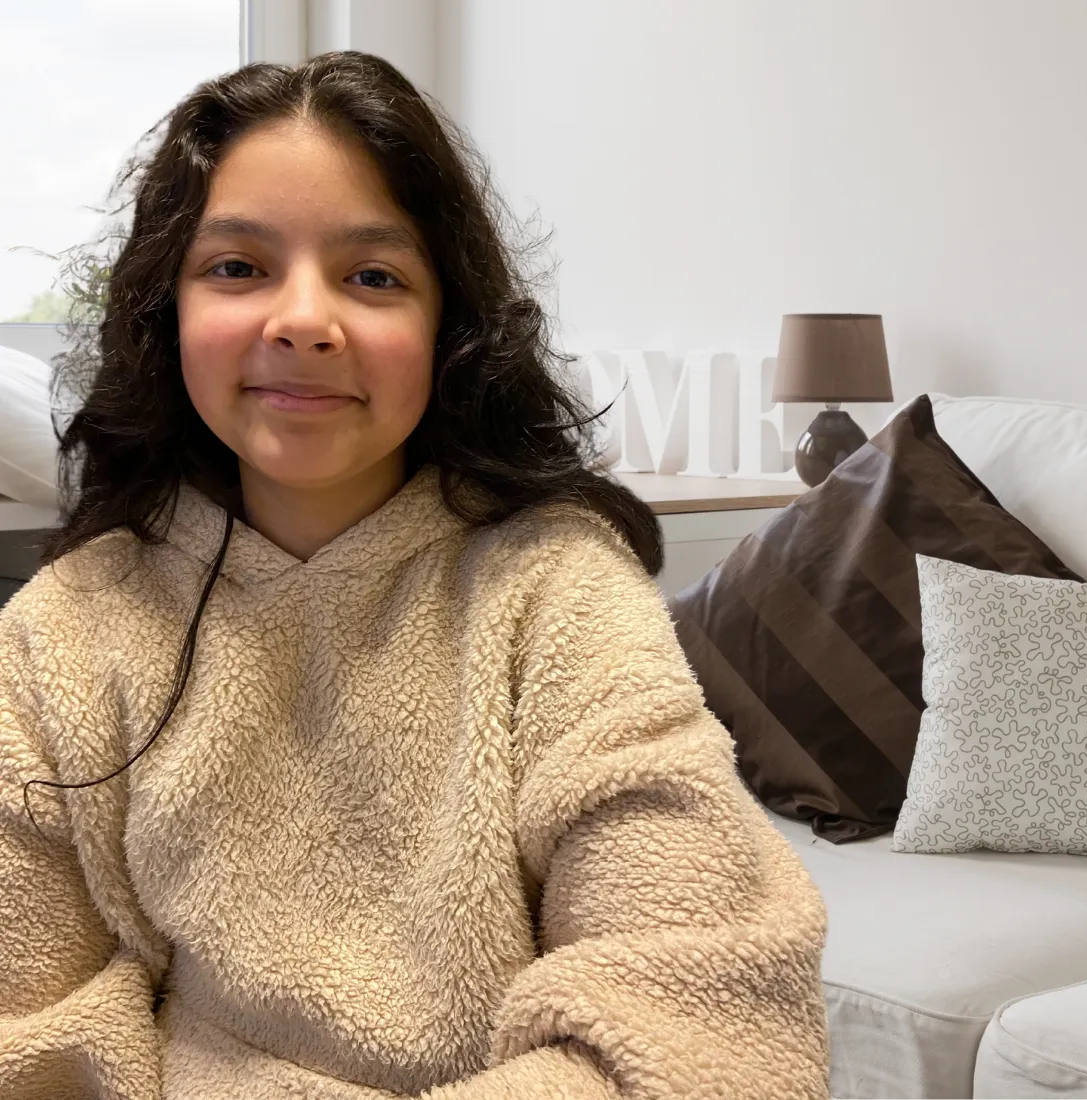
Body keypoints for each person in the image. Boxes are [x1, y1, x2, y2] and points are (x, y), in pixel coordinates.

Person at [0, 52, 828, 1099]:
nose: (303, 319)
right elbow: (27, 1026)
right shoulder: (69, 625)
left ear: (448, 330)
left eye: (373, 277)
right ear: (165, 312)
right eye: (238, 267)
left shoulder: (558, 592)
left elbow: (707, 1034)